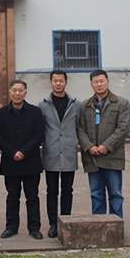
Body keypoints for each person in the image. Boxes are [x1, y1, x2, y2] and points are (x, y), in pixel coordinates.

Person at [0, 80, 45, 240]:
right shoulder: (2, 113)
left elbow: (39, 135)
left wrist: (23, 151)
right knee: (12, 196)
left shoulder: (35, 112)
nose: (17, 93)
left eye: (20, 90)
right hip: (10, 161)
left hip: (31, 161)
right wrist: (12, 152)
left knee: (32, 196)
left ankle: (34, 228)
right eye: (14, 90)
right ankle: (11, 227)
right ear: (10, 92)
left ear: (25, 92)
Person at [77, 69, 130, 219]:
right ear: (91, 84)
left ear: (107, 81)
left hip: (112, 157)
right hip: (92, 158)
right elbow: (80, 128)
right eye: (96, 82)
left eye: (102, 81)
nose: (99, 84)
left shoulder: (121, 103)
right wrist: (89, 147)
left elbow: (123, 128)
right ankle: (99, 225)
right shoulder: (84, 105)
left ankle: (116, 225)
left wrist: (106, 146)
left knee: (115, 194)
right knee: (96, 194)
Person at [38, 70, 81, 238]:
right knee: (52, 190)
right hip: (51, 152)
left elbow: (79, 126)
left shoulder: (75, 105)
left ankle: (65, 221)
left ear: (66, 82)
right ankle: (53, 224)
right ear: (51, 82)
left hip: (69, 152)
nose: (58, 83)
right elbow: (41, 128)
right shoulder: (43, 105)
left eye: (61, 81)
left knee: (67, 190)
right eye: (55, 81)